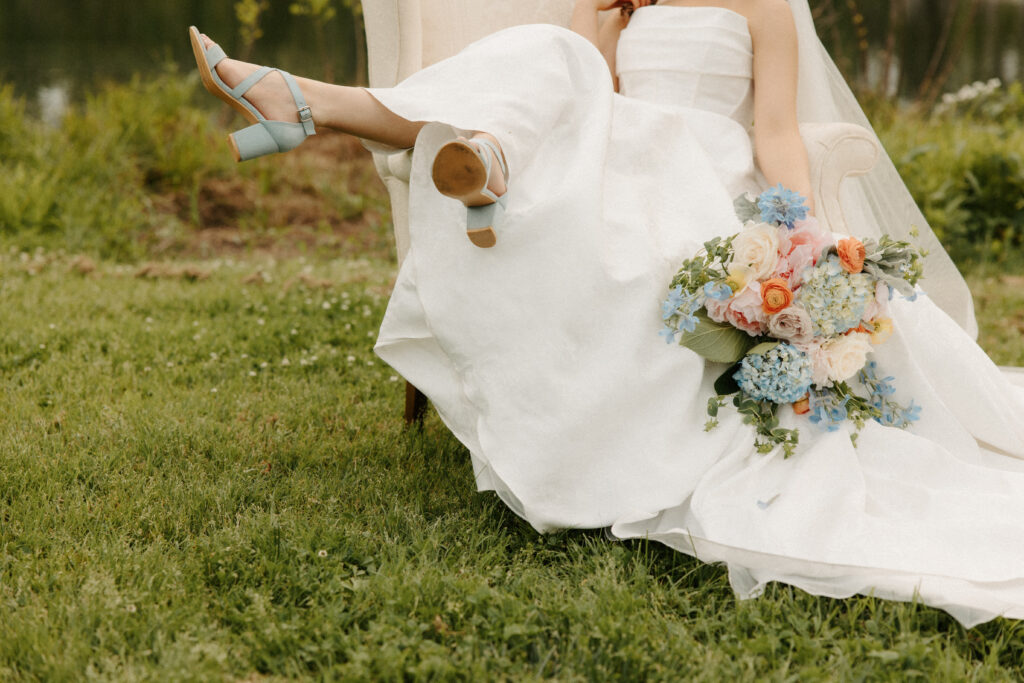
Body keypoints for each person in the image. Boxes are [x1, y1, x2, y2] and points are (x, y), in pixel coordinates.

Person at [189, 0, 1024, 627]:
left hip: (697, 169)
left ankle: (325, 109)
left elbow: (775, 128)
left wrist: (800, 227)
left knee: (557, 71)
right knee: (555, 54)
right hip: (611, 154)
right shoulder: (619, 2)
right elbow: (584, 96)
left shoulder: (763, 0)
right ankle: (485, 156)